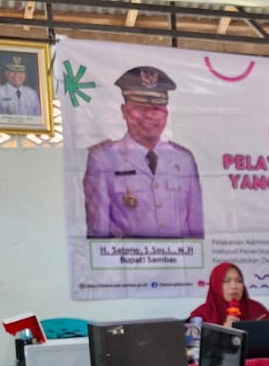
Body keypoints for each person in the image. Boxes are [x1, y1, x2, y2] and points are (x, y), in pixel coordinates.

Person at [83, 65, 204, 240]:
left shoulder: (183, 159)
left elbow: (196, 230)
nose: (149, 115)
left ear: (166, 114)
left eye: (156, 109)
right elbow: (99, 232)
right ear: (124, 111)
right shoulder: (104, 160)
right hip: (128, 258)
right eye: (140, 107)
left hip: (178, 258)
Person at [191, 263, 269, 328]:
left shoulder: (257, 310)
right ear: (215, 285)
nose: (234, 286)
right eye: (226, 281)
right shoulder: (200, 315)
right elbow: (194, 344)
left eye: (239, 281)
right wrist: (224, 331)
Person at [0, 54, 41, 119]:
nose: (16, 75)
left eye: (20, 72)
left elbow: (39, 119)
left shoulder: (32, 94)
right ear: (6, 73)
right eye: (13, 71)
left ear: (25, 75)